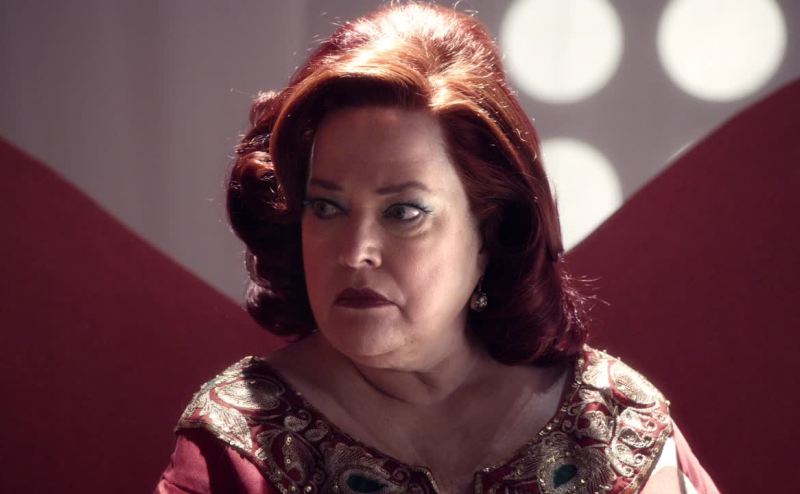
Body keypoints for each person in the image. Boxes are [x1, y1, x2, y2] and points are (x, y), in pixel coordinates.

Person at [156, 3, 717, 493]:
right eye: (326, 207)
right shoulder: (241, 439)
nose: (355, 252)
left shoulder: (615, 421)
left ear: (491, 230)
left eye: (403, 212)